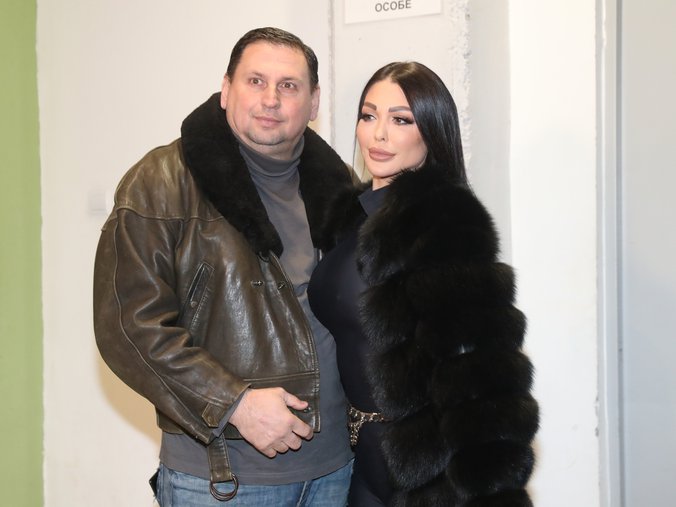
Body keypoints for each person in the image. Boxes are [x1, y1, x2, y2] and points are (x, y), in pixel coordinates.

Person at [93, 27, 355, 506]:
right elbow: (129, 327)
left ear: (314, 102)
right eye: (255, 81)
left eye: (289, 85)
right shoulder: (159, 182)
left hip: (338, 474)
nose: (271, 99)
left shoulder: (341, 186)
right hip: (221, 481)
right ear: (226, 88)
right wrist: (233, 403)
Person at [307, 61, 540, 506]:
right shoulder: (353, 218)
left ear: (431, 132)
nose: (379, 134)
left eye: (401, 120)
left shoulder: (443, 222)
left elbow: (482, 374)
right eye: (369, 115)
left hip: (427, 473)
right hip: (358, 460)